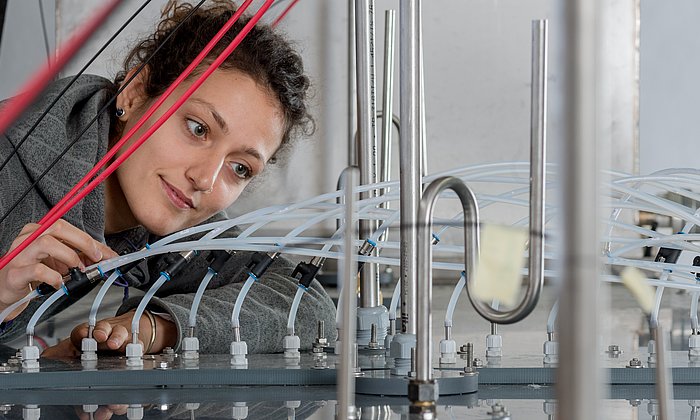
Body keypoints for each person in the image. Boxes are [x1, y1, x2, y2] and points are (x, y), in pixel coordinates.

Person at [0, 1, 336, 356]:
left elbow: (307, 306)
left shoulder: (174, 221)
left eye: (239, 168)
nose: (205, 178)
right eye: (197, 128)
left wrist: (155, 327)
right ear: (134, 93)